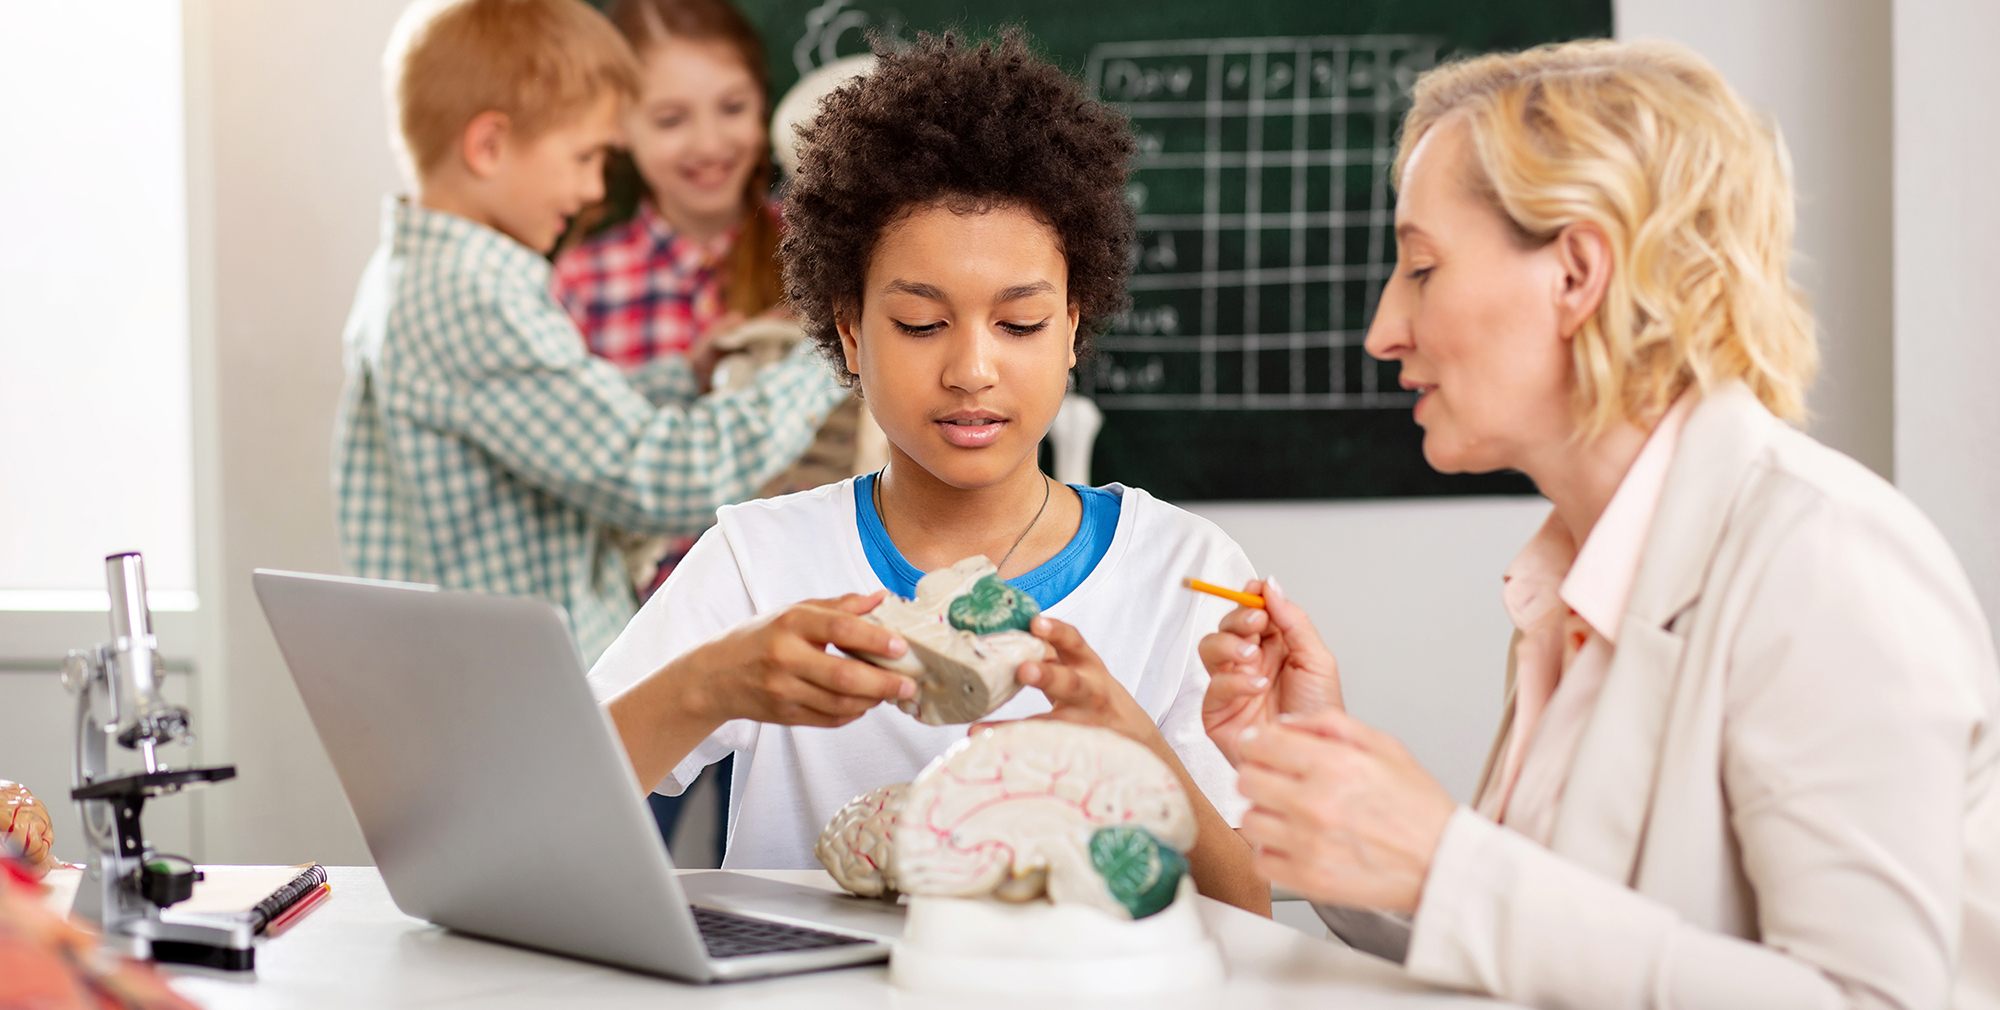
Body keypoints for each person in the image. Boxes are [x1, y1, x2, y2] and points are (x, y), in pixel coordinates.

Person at [1198, 40, 2000, 1007]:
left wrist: (1451, 865)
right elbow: (1534, 951)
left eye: (1420, 267)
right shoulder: (1575, 579)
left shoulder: (1825, 562)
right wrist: (1330, 784)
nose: (1383, 331)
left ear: (1576, 273)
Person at [587, 32, 1269, 914]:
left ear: (1072, 327)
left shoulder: (1189, 570)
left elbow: (1247, 911)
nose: (971, 370)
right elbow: (546, 799)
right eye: (919, 324)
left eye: (1019, 325)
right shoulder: (762, 559)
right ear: (848, 332)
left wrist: (1134, 744)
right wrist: (714, 683)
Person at [337, 0, 848, 663]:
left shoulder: (411, 274)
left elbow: (535, 411)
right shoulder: (471, 296)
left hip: (489, 681)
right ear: (489, 146)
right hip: (537, 695)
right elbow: (662, 476)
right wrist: (822, 353)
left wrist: (678, 378)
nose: (591, 190)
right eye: (584, 157)